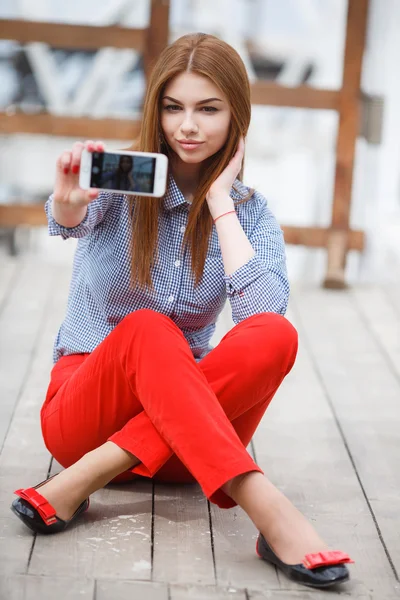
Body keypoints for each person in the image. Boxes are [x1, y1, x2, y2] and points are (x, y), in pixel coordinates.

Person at [10, 33, 353, 590]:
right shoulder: (120, 187)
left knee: (275, 334)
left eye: (208, 109)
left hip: (184, 447)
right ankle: (268, 509)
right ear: (156, 111)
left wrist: (220, 202)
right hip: (85, 422)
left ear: (237, 116)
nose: (187, 126)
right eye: (174, 108)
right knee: (148, 328)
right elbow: (67, 218)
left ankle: (87, 480)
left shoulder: (251, 214)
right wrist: (70, 205)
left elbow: (262, 313)